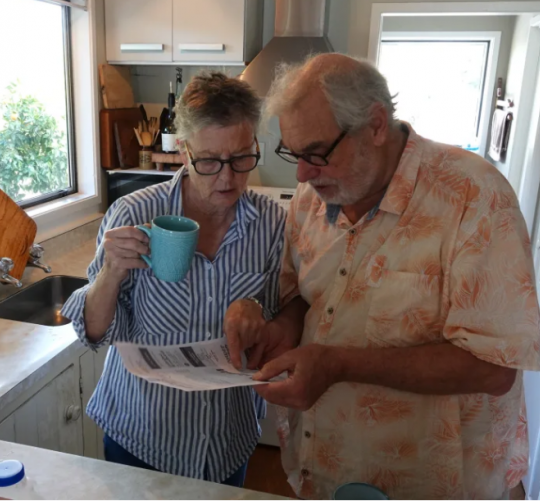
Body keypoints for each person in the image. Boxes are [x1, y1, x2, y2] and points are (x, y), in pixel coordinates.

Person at [226, 53, 540, 499]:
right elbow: (309, 295)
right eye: (293, 154)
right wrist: (281, 328)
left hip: (435, 482)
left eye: (315, 153)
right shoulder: (311, 196)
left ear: (375, 125)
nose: (301, 173)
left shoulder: (475, 197)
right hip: (326, 469)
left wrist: (336, 364)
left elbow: (494, 368)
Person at [62, 72, 285, 487]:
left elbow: (280, 312)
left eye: (241, 158)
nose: (227, 177)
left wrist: (258, 311)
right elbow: (90, 332)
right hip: (141, 437)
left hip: (226, 438)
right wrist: (111, 273)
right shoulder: (132, 213)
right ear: (183, 151)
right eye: (209, 161)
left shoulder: (271, 223)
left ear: (255, 145)